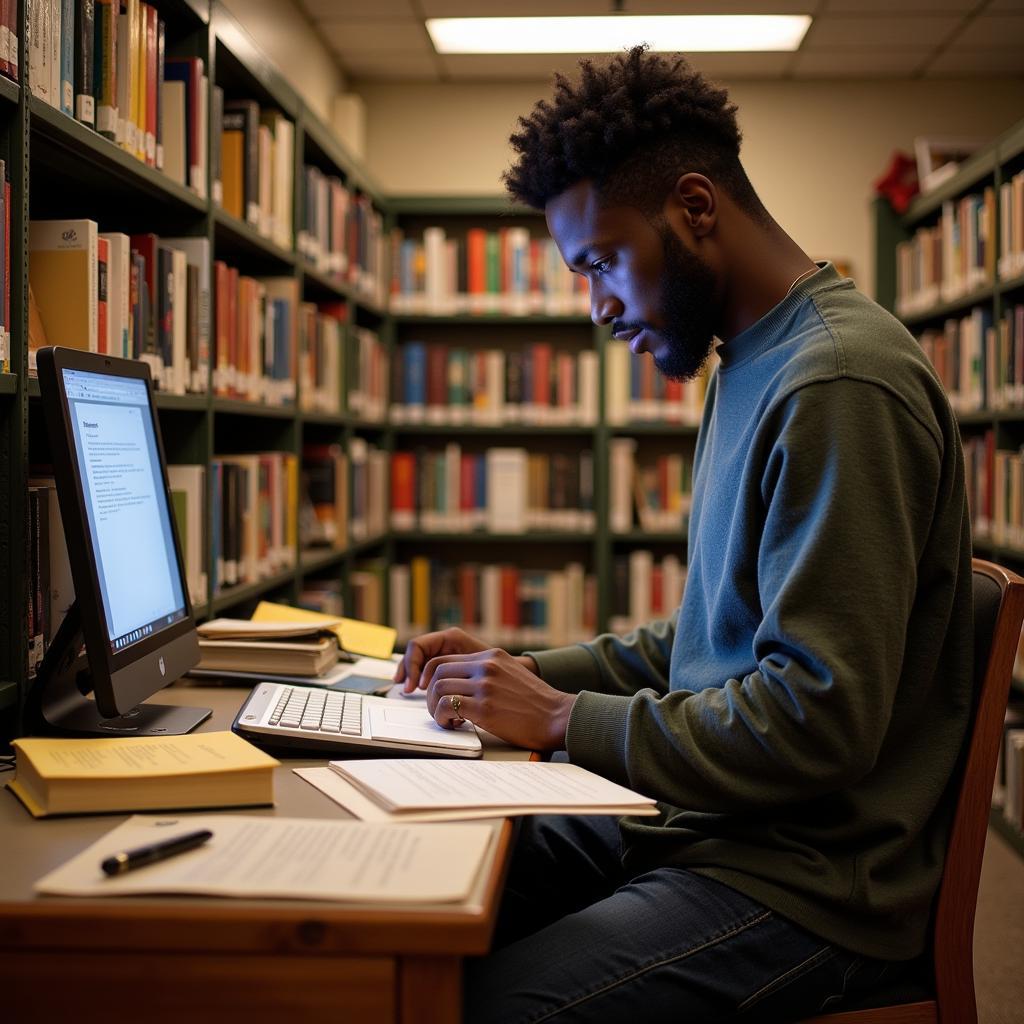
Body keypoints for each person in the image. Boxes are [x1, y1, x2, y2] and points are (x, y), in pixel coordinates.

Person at [395, 46, 973, 1023]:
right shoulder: (747, 363)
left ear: (695, 208)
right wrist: (521, 671)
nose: (597, 307)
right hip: (709, 825)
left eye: (603, 262)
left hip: (805, 883)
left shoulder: (835, 382)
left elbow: (815, 717)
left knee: (487, 1004)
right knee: (424, 876)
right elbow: (700, 645)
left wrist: (559, 721)